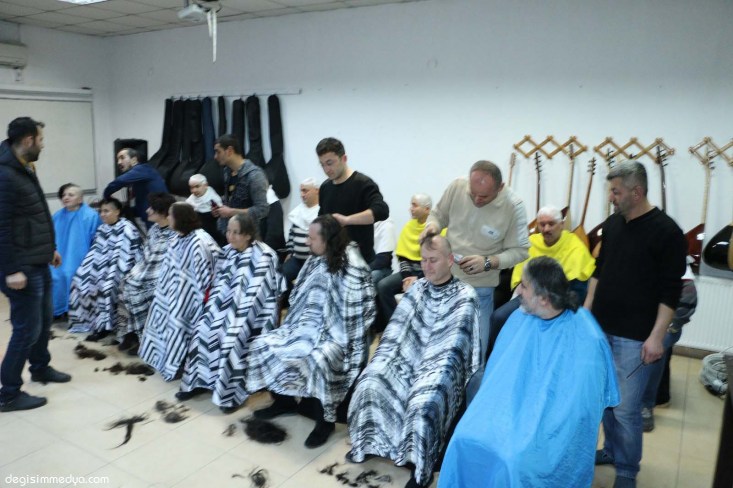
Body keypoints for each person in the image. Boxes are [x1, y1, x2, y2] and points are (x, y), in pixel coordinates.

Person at [439, 256, 620, 488]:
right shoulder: (520, 318)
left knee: (512, 461)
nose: (518, 291)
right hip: (509, 412)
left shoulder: (585, 337)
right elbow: (499, 380)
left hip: (550, 428)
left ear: (544, 299)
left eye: (524, 286)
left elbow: (579, 409)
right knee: (463, 438)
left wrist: (533, 420)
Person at [347, 234, 480, 488]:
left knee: (423, 402)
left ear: (450, 260)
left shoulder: (465, 295)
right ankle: (369, 442)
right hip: (406, 359)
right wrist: (385, 360)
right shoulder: (417, 289)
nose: (426, 266)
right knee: (370, 382)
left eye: (433, 260)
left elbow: (455, 347)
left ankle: (421, 466)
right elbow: (396, 331)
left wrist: (428, 370)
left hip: (440, 365)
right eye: (423, 260)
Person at [584, 161, 687, 488]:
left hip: (636, 336)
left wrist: (657, 337)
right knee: (606, 401)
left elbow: (671, 291)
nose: (611, 197)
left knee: (626, 409)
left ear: (637, 192)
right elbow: (599, 271)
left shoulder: (667, 232)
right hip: (602, 329)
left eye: (616, 192)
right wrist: (586, 313)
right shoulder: (613, 223)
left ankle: (627, 470)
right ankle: (612, 451)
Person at [246, 214, 375, 448]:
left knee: (318, 358)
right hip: (305, 326)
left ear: (328, 240)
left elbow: (356, 313)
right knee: (263, 345)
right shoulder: (316, 258)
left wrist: (328, 330)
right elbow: (300, 295)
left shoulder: (353, 266)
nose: (307, 242)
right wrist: (300, 325)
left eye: (312, 238)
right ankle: (284, 402)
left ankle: (325, 422)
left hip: (338, 334)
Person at [422, 160, 529, 399]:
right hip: (444, 284)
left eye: (484, 196)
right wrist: (432, 227)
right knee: (436, 351)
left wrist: (488, 262)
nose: (477, 200)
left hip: (479, 291)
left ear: (500, 187)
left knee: (475, 359)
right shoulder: (457, 187)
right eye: (473, 194)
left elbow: (520, 251)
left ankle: (472, 414)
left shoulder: (514, 206)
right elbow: (438, 215)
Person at [177, 213, 286, 414]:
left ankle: (230, 395)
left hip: (252, 314)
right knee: (202, 330)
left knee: (232, 338)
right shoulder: (227, 252)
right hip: (224, 308)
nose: (230, 236)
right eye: (228, 231)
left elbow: (260, 294)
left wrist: (237, 316)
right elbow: (219, 285)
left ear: (248, 235)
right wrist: (216, 312)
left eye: (236, 233)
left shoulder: (264, 255)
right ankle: (199, 381)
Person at [0, 117, 71, 412]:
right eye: (40, 139)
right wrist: (10, 269)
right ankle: (9, 393)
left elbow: (34, 213)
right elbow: (2, 226)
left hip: (37, 258)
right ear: (28, 140)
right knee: (26, 329)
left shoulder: (24, 167)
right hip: (21, 266)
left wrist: (49, 248)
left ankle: (40, 368)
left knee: (43, 321)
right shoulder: (5, 174)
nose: (43, 144)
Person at [486, 205, 595, 359]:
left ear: (561, 225)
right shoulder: (531, 243)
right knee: (498, 317)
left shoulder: (574, 245)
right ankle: (496, 360)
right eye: (542, 224)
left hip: (557, 302)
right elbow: (520, 280)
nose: (546, 229)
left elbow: (579, 287)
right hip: (528, 296)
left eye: (551, 224)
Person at [139, 202, 220, 381]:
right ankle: (163, 357)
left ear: (180, 218)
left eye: (170, 215)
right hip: (176, 291)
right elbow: (169, 270)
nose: (168, 218)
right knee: (158, 307)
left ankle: (178, 363)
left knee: (176, 314)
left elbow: (204, 278)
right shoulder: (176, 238)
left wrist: (181, 295)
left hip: (197, 296)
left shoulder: (199, 241)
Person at [68, 197, 143, 340]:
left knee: (106, 286)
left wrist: (109, 273)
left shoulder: (127, 228)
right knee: (79, 280)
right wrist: (89, 270)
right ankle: (94, 323)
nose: (102, 214)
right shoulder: (102, 228)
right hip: (103, 267)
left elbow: (126, 257)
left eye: (106, 211)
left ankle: (105, 326)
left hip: (124, 269)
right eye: (101, 211)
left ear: (117, 212)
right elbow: (95, 253)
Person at [116, 192, 178, 356]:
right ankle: (130, 332)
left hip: (164, 278)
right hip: (147, 272)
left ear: (162, 212)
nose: (147, 210)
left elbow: (167, 263)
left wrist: (145, 276)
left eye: (152, 208)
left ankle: (143, 338)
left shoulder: (174, 234)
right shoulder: (154, 230)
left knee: (135, 291)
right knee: (124, 284)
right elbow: (146, 256)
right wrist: (138, 273)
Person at [641, 265, 697, 432]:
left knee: (655, 349)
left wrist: (665, 329)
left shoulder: (677, 265)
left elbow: (688, 301)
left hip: (667, 324)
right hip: (639, 319)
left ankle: (646, 405)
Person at [316, 137, 389, 263]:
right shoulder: (325, 187)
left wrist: (347, 220)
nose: (326, 170)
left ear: (344, 159)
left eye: (330, 163)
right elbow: (321, 217)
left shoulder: (363, 183)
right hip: (334, 260)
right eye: (322, 165)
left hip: (360, 261)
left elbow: (381, 211)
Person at [375, 193, 434, 330]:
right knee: (383, 286)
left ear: (427, 209)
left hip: (429, 275)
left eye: (414, 205)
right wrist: (407, 277)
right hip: (408, 273)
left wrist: (418, 279)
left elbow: (435, 262)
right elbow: (402, 257)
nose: (410, 209)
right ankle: (395, 327)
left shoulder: (436, 228)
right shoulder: (408, 227)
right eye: (411, 205)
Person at [51, 183, 102, 320]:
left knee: (70, 274)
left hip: (82, 259)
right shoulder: (57, 216)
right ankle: (56, 310)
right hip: (59, 258)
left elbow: (97, 241)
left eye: (70, 195)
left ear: (80, 199)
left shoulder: (91, 216)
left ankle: (72, 310)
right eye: (64, 195)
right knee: (52, 275)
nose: (66, 197)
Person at [211, 134, 269, 235]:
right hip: (227, 232)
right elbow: (232, 198)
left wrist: (231, 212)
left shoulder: (255, 175)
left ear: (229, 151)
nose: (215, 156)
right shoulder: (227, 172)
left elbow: (262, 209)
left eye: (218, 152)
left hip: (246, 236)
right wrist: (220, 208)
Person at [103, 147, 167, 229]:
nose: (119, 162)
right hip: (153, 217)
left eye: (122, 158)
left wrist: (106, 195)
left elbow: (119, 181)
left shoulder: (142, 169)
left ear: (134, 160)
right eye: (118, 160)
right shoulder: (139, 176)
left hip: (158, 218)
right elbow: (141, 202)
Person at [282, 177, 320, 287]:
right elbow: (291, 235)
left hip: (315, 261)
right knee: (280, 276)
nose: (302, 194)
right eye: (301, 191)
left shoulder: (322, 212)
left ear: (316, 191)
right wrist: (289, 252)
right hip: (296, 260)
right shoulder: (297, 212)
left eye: (305, 191)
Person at [186, 173, 224, 244]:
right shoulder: (192, 197)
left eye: (197, 186)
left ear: (206, 185)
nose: (194, 190)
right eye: (191, 188)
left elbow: (220, 210)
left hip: (211, 224)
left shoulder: (212, 198)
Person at [370, 218, 396, 286]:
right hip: (367, 267)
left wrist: (363, 269)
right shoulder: (364, 224)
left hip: (381, 269)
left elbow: (383, 260)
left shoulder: (387, 226)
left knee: (370, 277)